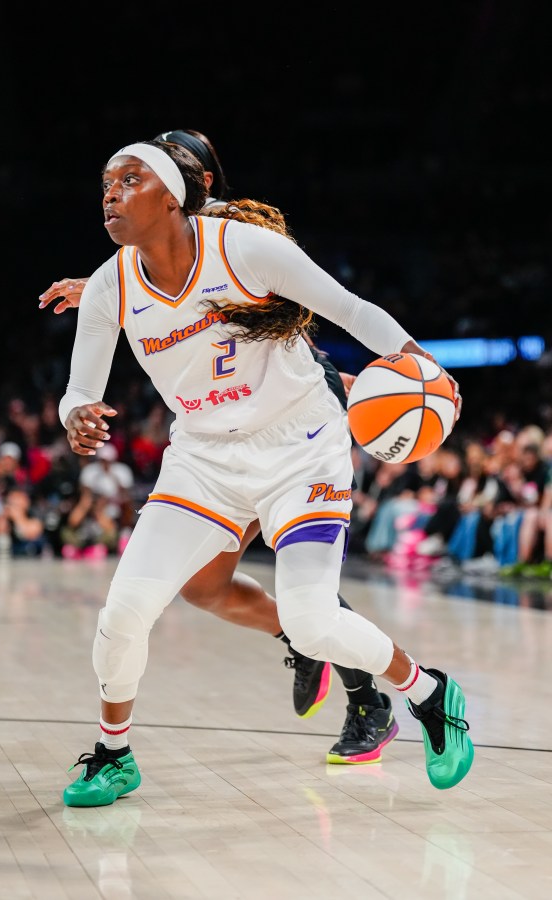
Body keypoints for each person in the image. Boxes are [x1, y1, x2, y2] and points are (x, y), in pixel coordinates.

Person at [51, 138, 473, 807]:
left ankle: (426, 692)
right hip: (203, 458)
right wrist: (76, 413)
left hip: (300, 447)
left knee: (313, 621)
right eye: (106, 181)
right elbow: (80, 387)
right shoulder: (111, 284)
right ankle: (113, 753)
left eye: (129, 179)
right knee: (128, 608)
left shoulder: (242, 248)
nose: (109, 193)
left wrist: (423, 364)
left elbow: (353, 311)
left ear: (176, 193)